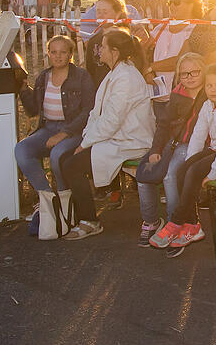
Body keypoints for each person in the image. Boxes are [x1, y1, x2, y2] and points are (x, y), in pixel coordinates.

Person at [151, 62, 216, 257]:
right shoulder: (208, 105)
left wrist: (213, 173)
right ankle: (192, 226)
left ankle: (176, 221)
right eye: (209, 85)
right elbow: (198, 135)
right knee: (183, 170)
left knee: (194, 172)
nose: (213, 90)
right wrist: (190, 160)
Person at [61, 29, 155, 239]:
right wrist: (86, 140)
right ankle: (78, 216)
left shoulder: (126, 78)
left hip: (132, 141)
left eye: (102, 46)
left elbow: (112, 120)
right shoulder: (116, 72)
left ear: (115, 51)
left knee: (72, 165)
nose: (98, 50)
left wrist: (86, 144)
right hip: (117, 137)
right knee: (67, 158)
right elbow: (98, 113)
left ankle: (90, 221)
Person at [135, 51, 207, 247]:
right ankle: (151, 221)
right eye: (184, 74)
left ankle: (174, 224)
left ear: (204, 71)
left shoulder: (211, 92)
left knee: (170, 176)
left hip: (197, 146)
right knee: (143, 174)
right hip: (174, 143)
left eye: (195, 72)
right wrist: (155, 149)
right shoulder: (177, 94)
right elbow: (164, 124)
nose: (189, 77)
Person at [15, 35, 94, 202]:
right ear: (48, 54)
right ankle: (48, 197)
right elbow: (33, 110)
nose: (58, 56)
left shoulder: (81, 76)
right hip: (48, 128)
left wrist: (64, 133)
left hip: (74, 130)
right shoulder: (44, 77)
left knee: (57, 154)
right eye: (54, 52)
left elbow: (88, 110)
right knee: (22, 150)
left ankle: (64, 197)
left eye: (63, 52)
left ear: (70, 54)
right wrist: (22, 89)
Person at [147, 0, 201, 97]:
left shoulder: (197, 27)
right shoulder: (163, 25)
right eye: (169, 2)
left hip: (182, 94)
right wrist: (148, 72)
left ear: (190, 4)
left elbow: (180, 61)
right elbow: (143, 50)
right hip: (157, 95)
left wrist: (149, 67)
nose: (171, 6)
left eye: (176, 2)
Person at [84, 0, 128, 89]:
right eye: (98, 11)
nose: (100, 15)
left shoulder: (126, 39)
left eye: (105, 12)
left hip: (122, 87)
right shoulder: (93, 40)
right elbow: (90, 69)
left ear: (118, 14)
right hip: (99, 89)